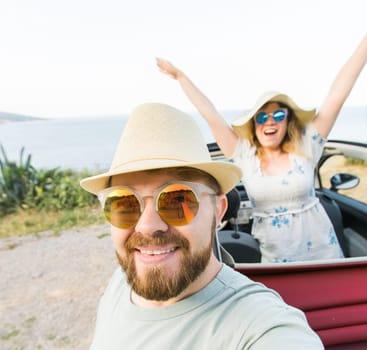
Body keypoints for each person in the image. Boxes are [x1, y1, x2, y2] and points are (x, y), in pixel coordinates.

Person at [157, 0, 367, 263]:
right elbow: (210, 114)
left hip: (325, 257)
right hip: (277, 263)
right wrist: (181, 77)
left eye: (279, 114)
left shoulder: (307, 146)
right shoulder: (244, 155)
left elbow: (338, 92)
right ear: (254, 125)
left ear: (288, 121)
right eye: (262, 116)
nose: (271, 121)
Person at [80, 103, 323, 349]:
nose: (147, 226)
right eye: (124, 202)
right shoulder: (121, 281)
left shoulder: (261, 328)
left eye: (178, 200)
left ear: (217, 212)